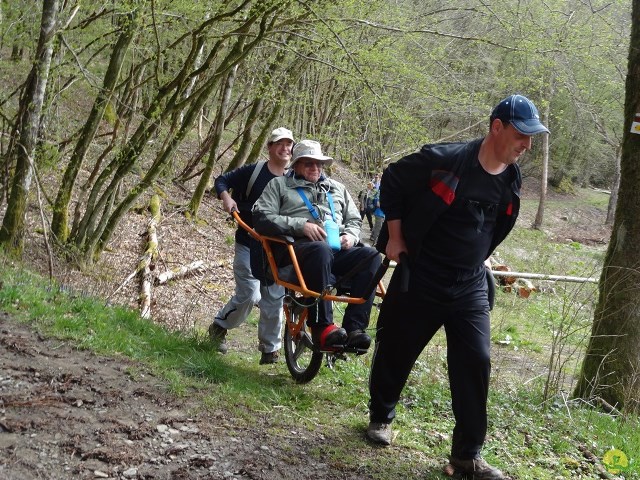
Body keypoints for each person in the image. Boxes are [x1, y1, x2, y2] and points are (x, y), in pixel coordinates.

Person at [366, 94, 549, 480]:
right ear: (496, 127)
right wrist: (395, 237)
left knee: (475, 361)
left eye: (532, 138)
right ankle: (381, 416)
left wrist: (480, 256)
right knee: (397, 350)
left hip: (469, 285)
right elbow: (393, 179)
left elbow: (496, 225)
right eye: (521, 135)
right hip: (423, 277)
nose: (527, 145)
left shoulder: (512, 179)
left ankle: (466, 457)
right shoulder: (444, 160)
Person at [252, 139, 381, 351]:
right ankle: (322, 328)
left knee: (372, 256)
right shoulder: (279, 185)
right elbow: (262, 217)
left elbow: (355, 219)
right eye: (309, 163)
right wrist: (300, 226)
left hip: (335, 250)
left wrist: (350, 235)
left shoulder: (337, 188)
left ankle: (354, 329)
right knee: (320, 250)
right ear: (296, 165)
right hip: (296, 251)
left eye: (319, 164)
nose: (315, 168)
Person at [208, 127, 294, 365]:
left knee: (274, 297)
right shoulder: (255, 171)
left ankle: (270, 350)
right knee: (250, 294)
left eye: (289, 144)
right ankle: (219, 326)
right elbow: (222, 180)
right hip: (248, 243)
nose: (285, 148)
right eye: (280, 143)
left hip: (276, 249)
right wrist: (227, 197)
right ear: (270, 147)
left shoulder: (293, 178)